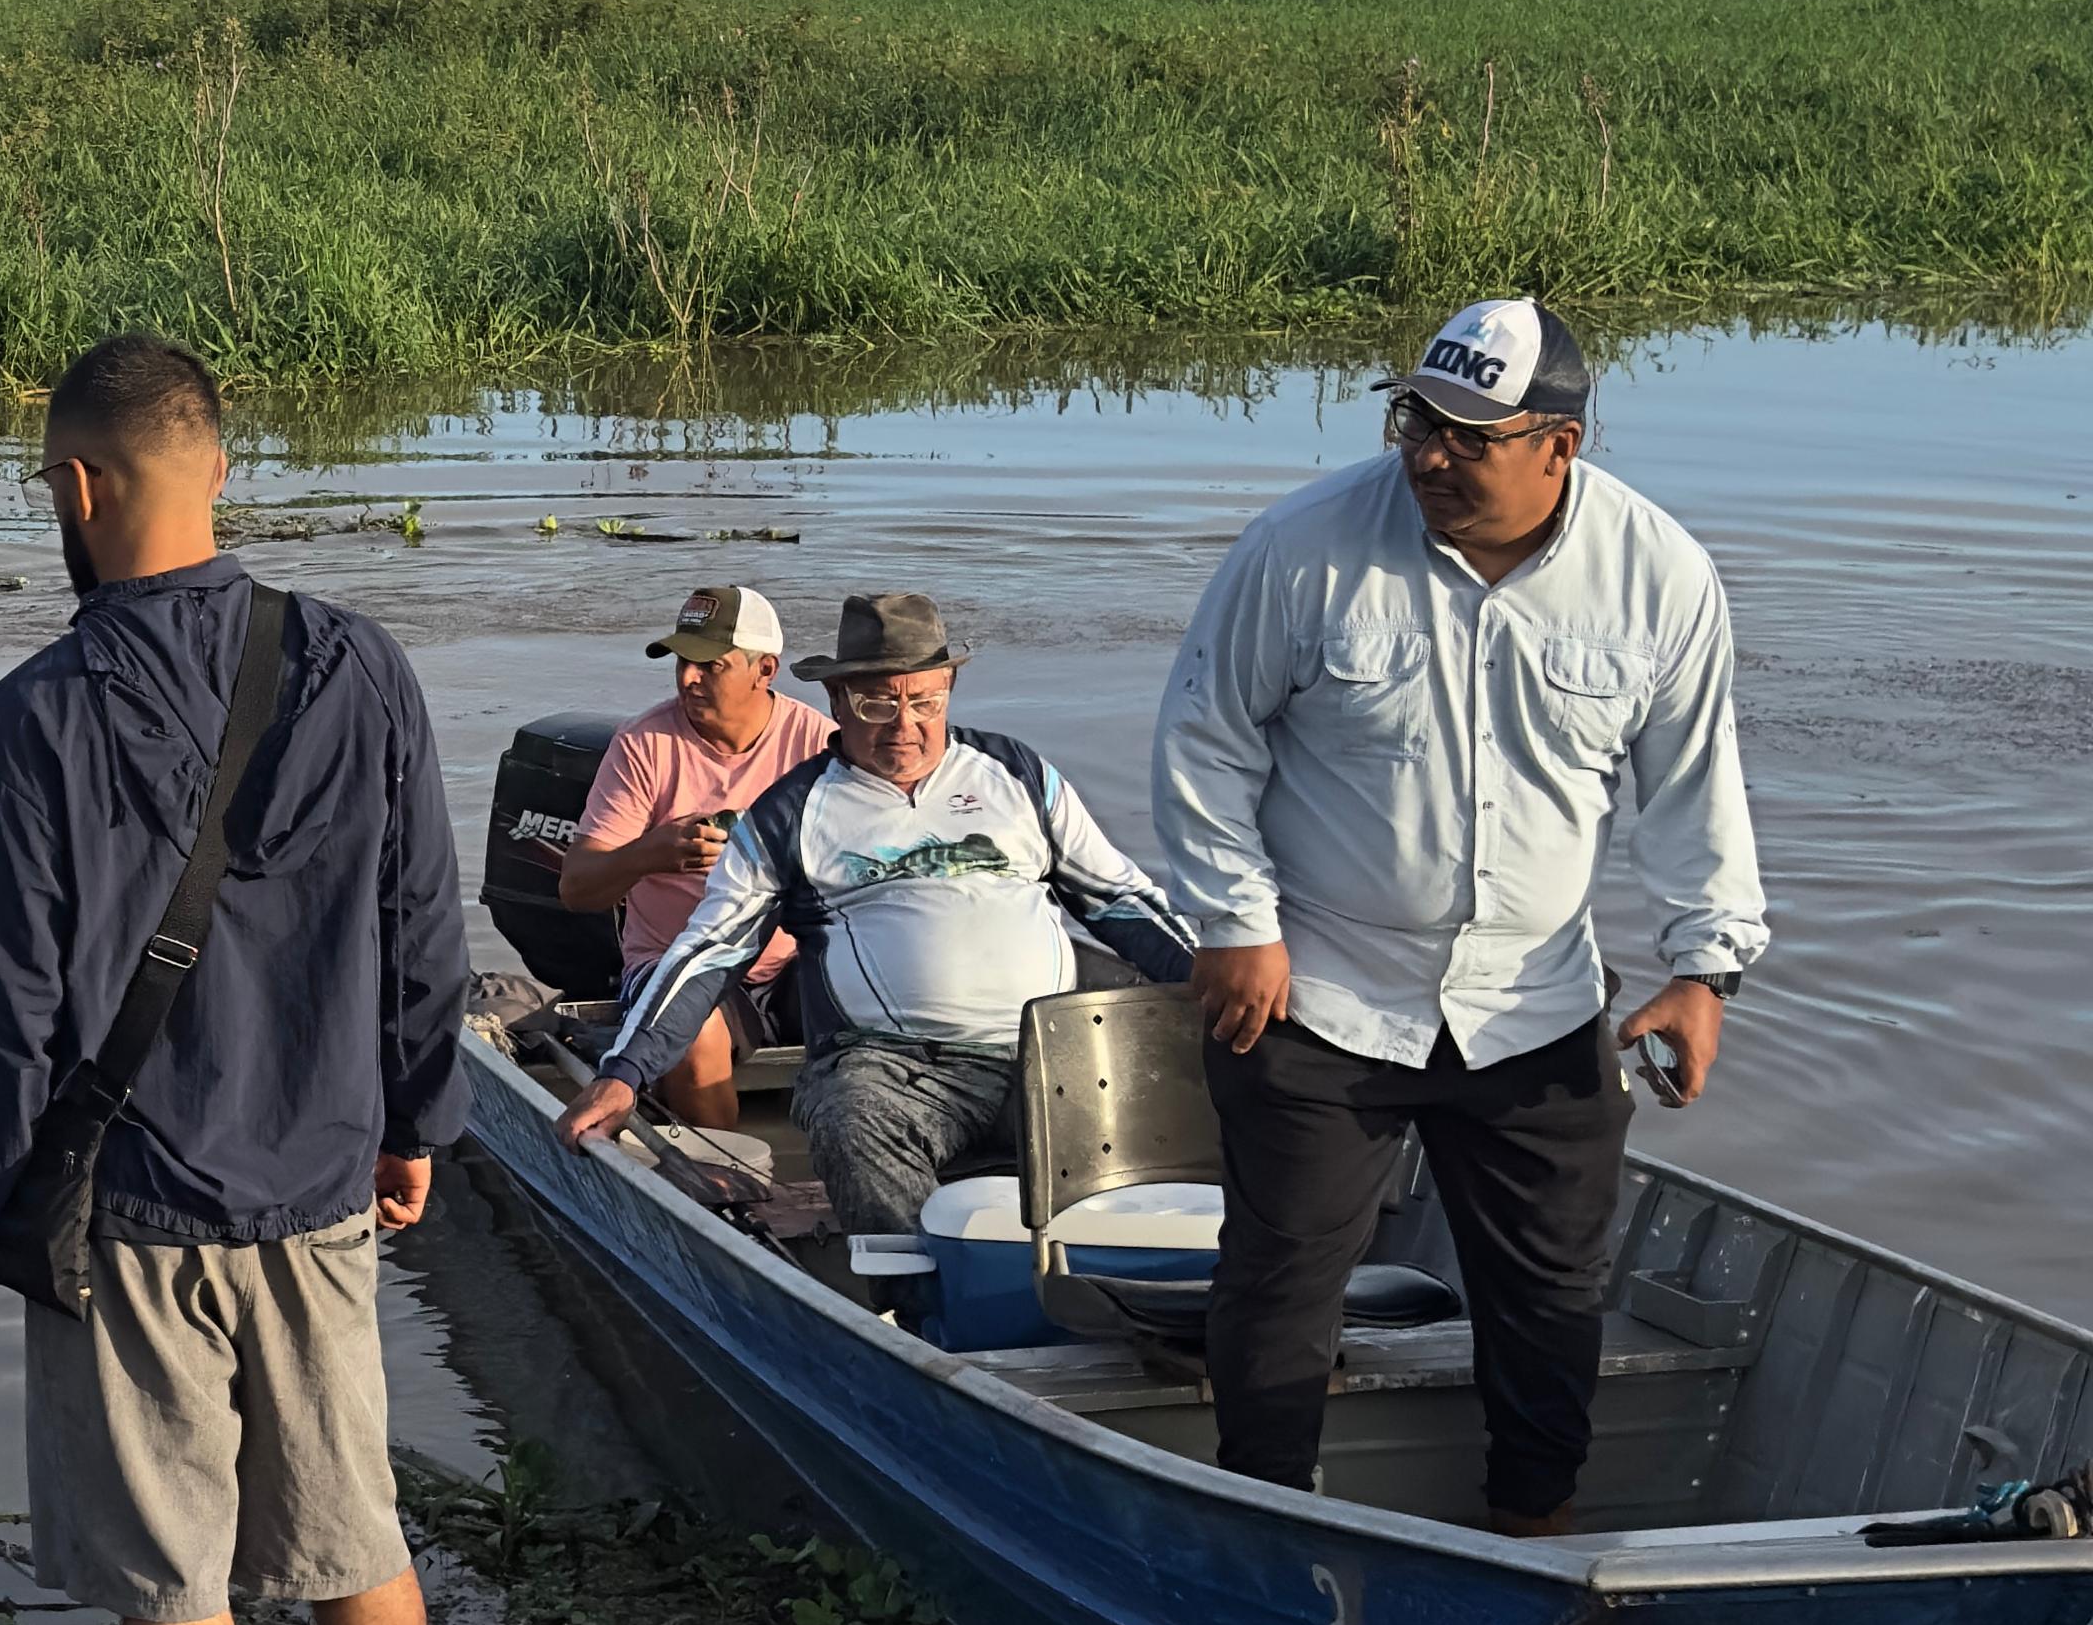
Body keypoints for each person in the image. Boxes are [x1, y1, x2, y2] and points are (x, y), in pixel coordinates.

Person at [0, 334, 470, 1625]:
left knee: (173, 1574)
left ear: (79, 490)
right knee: (359, 1538)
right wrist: (415, 1119)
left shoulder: (31, 719)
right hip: (321, 1178)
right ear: (218, 468)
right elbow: (422, 928)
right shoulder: (360, 665)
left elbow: (2, 1004)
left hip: (132, 1210)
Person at [1152, 298, 1763, 1533]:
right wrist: (1232, 922)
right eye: (1413, 420)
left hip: (1532, 1004)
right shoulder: (1302, 548)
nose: (1427, 453)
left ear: (1559, 443)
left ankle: (1531, 1534)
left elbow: (1692, 787)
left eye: (1467, 434)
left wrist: (1705, 969)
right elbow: (1202, 741)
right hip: (1315, 989)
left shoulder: (1659, 575)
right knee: (1277, 1286)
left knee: (1549, 1294)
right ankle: (1264, 1533)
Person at [560, 589, 1193, 1229]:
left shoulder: (1017, 774)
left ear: (947, 690)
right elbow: (711, 949)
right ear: (837, 701)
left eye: (924, 701)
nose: (904, 724)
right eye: (877, 703)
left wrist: (1218, 980)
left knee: (1170, 1124)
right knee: (851, 1117)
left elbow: (1120, 899)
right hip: (888, 1069)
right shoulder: (789, 810)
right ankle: (910, 1302)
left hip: (1044, 1050)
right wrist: (625, 1074)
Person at [554, 586, 829, 1129]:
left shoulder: (817, 742)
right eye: (682, 662)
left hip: (790, 963)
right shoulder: (643, 745)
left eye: (711, 666)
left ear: (765, 670)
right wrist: (648, 854)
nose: (688, 679)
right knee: (694, 1032)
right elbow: (575, 887)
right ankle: (728, 1189)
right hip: (670, 959)